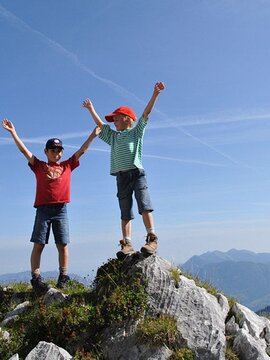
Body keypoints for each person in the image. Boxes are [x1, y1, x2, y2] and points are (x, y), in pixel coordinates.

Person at [2, 118, 100, 293]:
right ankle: (36, 278)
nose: (57, 153)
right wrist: (13, 133)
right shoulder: (39, 166)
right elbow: (24, 151)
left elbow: (82, 150)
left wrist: (93, 135)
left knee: (62, 244)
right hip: (43, 209)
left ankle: (63, 277)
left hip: (61, 209)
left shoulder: (67, 165)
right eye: (53, 150)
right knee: (39, 244)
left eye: (59, 150)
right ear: (46, 151)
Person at [83, 81, 165, 259]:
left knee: (144, 205)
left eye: (116, 119)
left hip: (137, 174)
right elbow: (101, 126)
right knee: (125, 211)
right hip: (121, 176)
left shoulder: (136, 132)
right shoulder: (113, 137)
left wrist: (155, 94)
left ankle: (152, 238)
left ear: (127, 118)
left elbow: (145, 113)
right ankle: (126, 243)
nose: (113, 122)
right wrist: (91, 109)